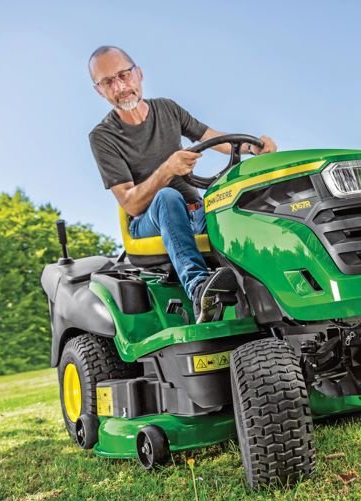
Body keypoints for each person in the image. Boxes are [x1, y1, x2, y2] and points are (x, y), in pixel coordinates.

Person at [87, 46, 277, 323]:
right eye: (108, 82)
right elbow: (131, 202)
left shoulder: (167, 109)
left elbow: (216, 139)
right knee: (167, 197)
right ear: (99, 90)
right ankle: (199, 289)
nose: (120, 86)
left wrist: (253, 146)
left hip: (193, 211)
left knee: (234, 199)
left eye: (124, 75)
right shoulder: (103, 136)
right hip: (147, 220)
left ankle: (269, 284)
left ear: (138, 74)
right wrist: (167, 169)